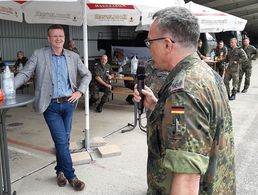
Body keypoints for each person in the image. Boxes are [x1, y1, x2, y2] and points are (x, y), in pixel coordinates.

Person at [134, 7, 236, 194]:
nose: (149, 48)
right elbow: (200, 127)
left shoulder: (183, 92)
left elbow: (187, 181)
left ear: (167, 44)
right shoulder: (207, 74)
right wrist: (158, 106)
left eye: (150, 42)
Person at [14, 24, 91, 191]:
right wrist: (8, 88)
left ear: (64, 38)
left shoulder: (72, 56)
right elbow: (25, 73)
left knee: (63, 141)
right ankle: (72, 176)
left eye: (61, 36)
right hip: (51, 106)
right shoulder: (39, 54)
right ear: (48, 39)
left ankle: (59, 171)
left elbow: (87, 74)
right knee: (62, 141)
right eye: (54, 36)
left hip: (69, 103)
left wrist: (80, 91)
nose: (58, 38)